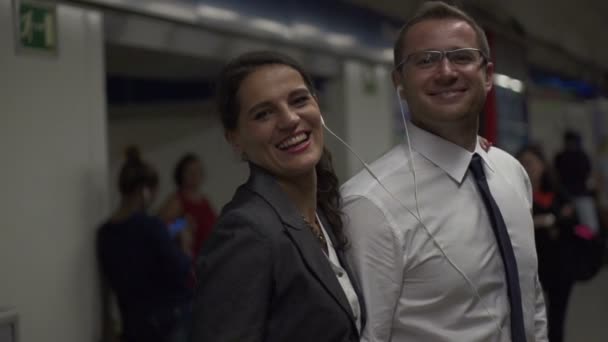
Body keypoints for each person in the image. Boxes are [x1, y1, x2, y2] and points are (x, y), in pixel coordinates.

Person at [341, 2, 547, 342]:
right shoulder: (369, 204)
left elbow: (530, 296)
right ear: (399, 82)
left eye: (462, 56)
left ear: (488, 74)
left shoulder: (511, 172)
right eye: (425, 60)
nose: (446, 71)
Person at [191, 51, 365, 342]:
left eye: (299, 100)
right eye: (263, 114)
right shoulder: (246, 233)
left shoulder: (320, 215)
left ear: (317, 106)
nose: (289, 119)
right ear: (235, 139)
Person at [97, 147, 193, 342]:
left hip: (133, 326)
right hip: (167, 322)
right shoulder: (150, 226)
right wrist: (185, 244)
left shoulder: (104, 234)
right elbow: (182, 270)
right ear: (145, 191)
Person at [517, 144, 577, 342]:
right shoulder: (514, 193)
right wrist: (548, 221)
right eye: (524, 163)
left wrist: (547, 220)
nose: (528, 168)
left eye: (532, 163)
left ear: (543, 165)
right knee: (532, 319)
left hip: (560, 265)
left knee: (556, 320)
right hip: (532, 266)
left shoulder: (556, 190)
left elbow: (571, 219)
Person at [159, 153, 217, 258]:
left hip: (212, 259)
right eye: (190, 171)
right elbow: (159, 231)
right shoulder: (176, 200)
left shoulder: (205, 200)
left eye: (198, 170)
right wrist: (182, 223)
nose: (195, 174)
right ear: (181, 175)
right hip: (192, 264)